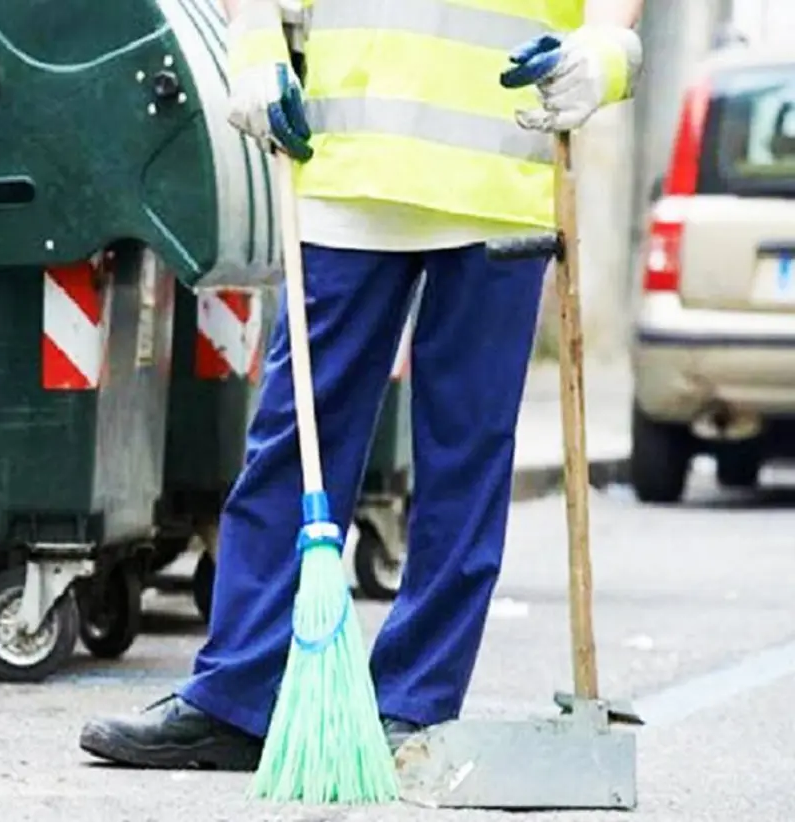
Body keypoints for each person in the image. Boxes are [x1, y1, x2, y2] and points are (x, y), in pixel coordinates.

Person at [79, 0, 645, 771]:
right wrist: (253, 47)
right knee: (296, 437)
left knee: (465, 457)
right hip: (347, 164)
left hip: (500, 172)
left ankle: (411, 706)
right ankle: (236, 699)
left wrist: (607, 47)